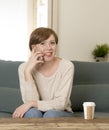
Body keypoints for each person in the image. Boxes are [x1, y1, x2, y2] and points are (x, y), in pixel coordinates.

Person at [12, 27, 74, 118]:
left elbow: (61, 103)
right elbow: (30, 102)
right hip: (36, 112)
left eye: (52, 43)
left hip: (61, 112)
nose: (49, 48)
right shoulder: (24, 68)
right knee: (33, 113)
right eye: (43, 43)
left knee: (50, 114)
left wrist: (33, 103)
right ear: (34, 48)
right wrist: (28, 72)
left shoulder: (67, 66)